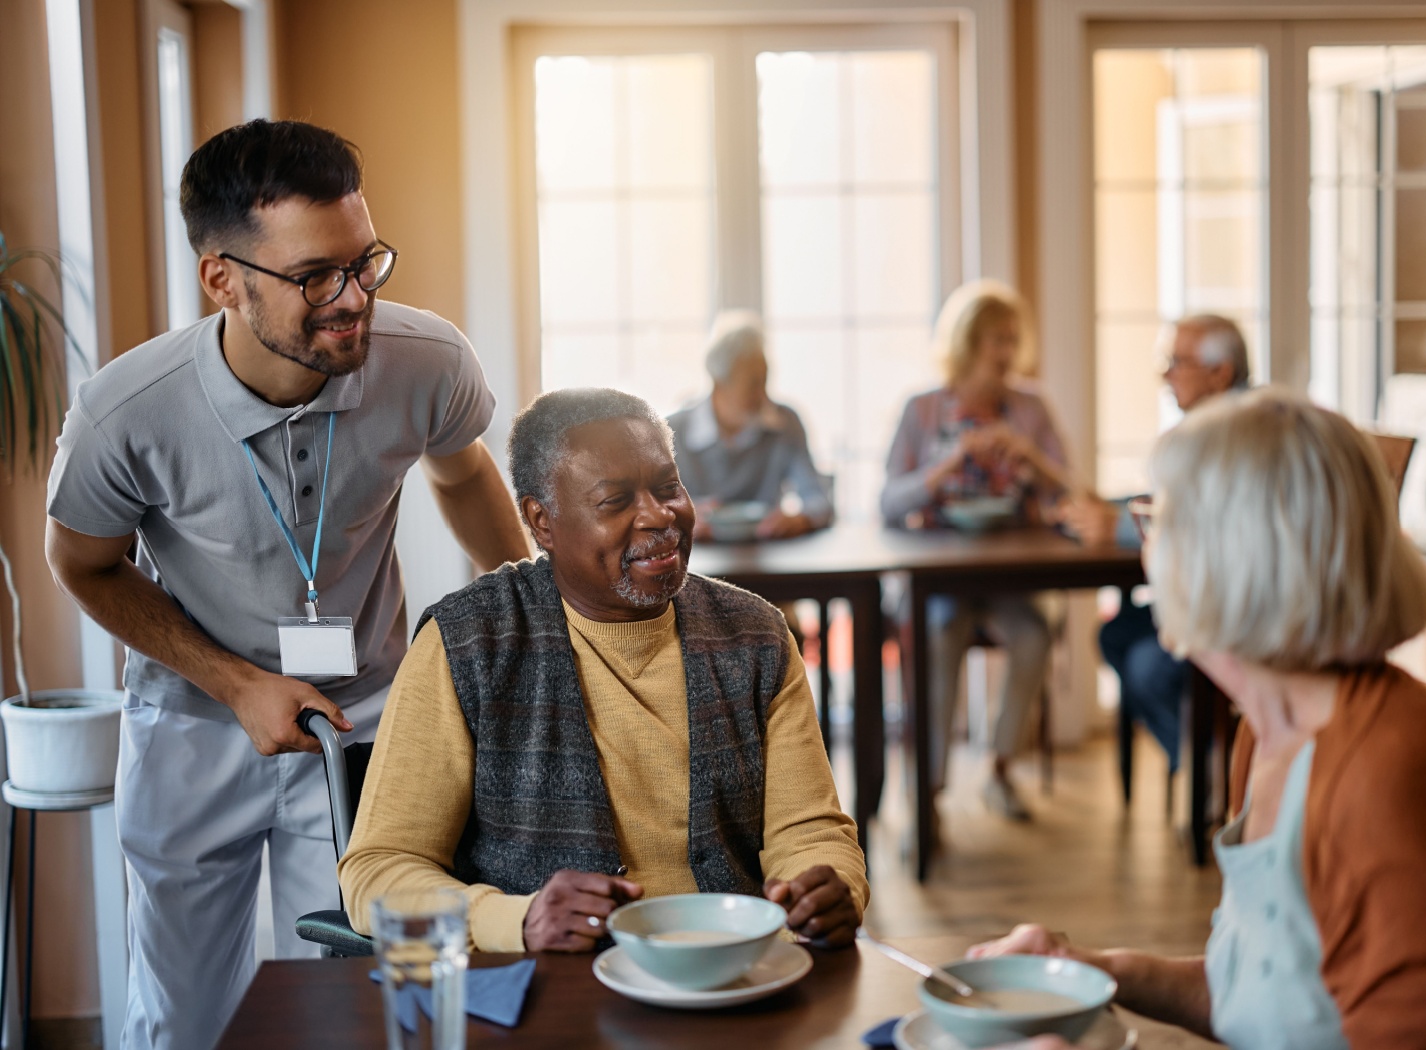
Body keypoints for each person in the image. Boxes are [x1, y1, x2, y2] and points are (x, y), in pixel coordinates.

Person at [43, 120, 530, 1050]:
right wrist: (237, 684)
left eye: (365, 263)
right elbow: (83, 565)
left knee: (350, 1006)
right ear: (222, 277)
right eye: (314, 277)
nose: (353, 300)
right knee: (186, 1020)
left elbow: (463, 473)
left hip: (365, 724)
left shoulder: (426, 361)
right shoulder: (124, 413)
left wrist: (526, 622)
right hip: (193, 725)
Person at [970, 389, 1426, 1048]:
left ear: (1236, 564)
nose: (1148, 549)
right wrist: (1090, 971)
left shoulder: (1392, 775)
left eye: (1162, 521)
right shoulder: (1267, 735)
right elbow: (1267, 994)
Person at [339, 387, 867, 953]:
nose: (659, 516)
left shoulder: (756, 635)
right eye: (615, 502)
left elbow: (809, 831)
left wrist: (829, 882)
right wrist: (517, 920)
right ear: (542, 523)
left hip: (729, 976)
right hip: (553, 994)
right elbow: (378, 871)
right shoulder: (468, 644)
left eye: (669, 488)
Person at [881, 279, 1070, 821]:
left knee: (1035, 635)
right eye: (997, 341)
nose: (1008, 354)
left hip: (1011, 578)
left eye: (1013, 340)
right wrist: (945, 467)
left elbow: (1069, 491)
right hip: (939, 581)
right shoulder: (921, 411)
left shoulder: (1030, 409)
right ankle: (930, 792)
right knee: (939, 636)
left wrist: (1032, 456)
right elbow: (889, 502)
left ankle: (1001, 771)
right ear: (967, 345)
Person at [1062, 314, 1250, 774]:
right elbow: (1176, 503)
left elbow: (1210, 524)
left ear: (1220, 372)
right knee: (1115, 634)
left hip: (1241, 606)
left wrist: (1118, 526)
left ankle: (1213, 771)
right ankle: (1200, 762)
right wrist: (1109, 510)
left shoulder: (1241, 431)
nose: (1165, 374)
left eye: (1177, 362)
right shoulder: (1209, 427)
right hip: (1211, 595)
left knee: (1147, 663)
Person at [667, 310, 833, 540]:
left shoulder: (785, 424)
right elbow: (655, 510)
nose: (763, 395)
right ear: (719, 382)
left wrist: (802, 518)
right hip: (697, 563)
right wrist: (679, 522)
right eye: (753, 384)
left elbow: (819, 499)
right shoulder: (673, 431)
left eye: (765, 380)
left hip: (767, 558)